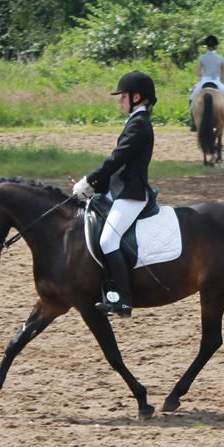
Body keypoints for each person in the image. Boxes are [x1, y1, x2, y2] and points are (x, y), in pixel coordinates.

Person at [71, 70, 156, 318]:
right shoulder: (135, 121)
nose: (120, 101)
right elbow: (118, 165)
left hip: (131, 194)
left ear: (137, 97)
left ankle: (122, 300)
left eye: (123, 96)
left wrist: (89, 180)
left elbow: (117, 159)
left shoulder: (139, 124)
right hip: (119, 191)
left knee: (108, 241)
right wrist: (94, 188)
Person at [189, 34, 224, 131]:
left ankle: (193, 122)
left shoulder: (202, 58)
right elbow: (223, 75)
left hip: (203, 82)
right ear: (216, 46)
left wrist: (204, 75)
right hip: (217, 82)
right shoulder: (221, 58)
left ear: (207, 46)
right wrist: (222, 80)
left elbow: (197, 73)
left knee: (192, 99)